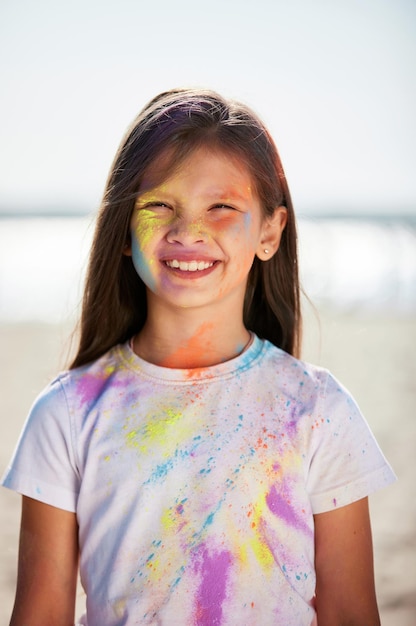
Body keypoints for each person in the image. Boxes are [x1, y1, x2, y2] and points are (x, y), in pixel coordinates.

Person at [2, 88, 395, 626]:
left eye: (222, 207)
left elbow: (351, 613)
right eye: (159, 205)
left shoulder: (317, 410)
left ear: (269, 231)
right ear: (124, 228)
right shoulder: (67, 414)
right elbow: (42, 615)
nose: (189, 231)